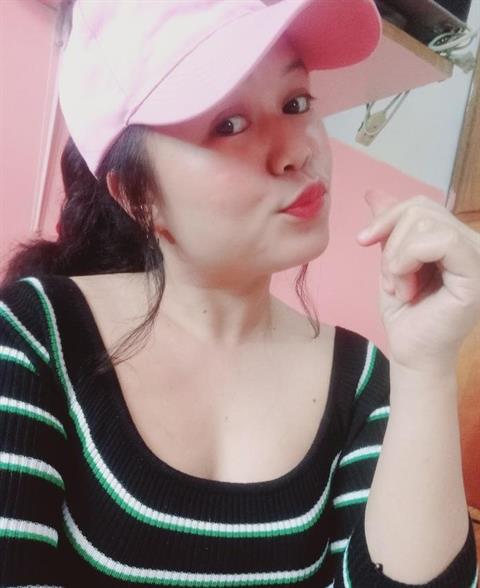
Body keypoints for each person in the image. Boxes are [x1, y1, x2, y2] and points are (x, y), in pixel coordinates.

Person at [0, 0, 479, 586]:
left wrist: (427, 368)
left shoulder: (361, 378)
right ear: (137, 197)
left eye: (295, 103)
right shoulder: (33, 337)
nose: (297, 151)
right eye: (228, 124)